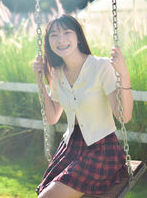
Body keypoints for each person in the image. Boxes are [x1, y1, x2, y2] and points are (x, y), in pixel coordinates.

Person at [33, 14, 133, 198]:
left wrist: (123, 73)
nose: (60, 39)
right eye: (54, 35)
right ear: (48, 42)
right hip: (70, 147)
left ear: (78, 36)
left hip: (101, 149)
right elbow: (52, 117)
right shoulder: (57, 73)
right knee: (45, 192)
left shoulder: (101, 66)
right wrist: (40, 81)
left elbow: (124, 116)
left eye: (66, 32)